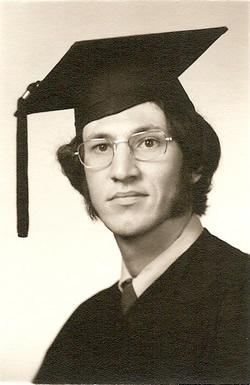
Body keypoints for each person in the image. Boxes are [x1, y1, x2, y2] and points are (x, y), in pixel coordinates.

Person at [15, 27, 248, 383]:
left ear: (195, 165)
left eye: (149, 142)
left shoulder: (241, 298)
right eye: (101, 147)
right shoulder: (84, 328)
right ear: (83, 174)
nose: (122, 171)